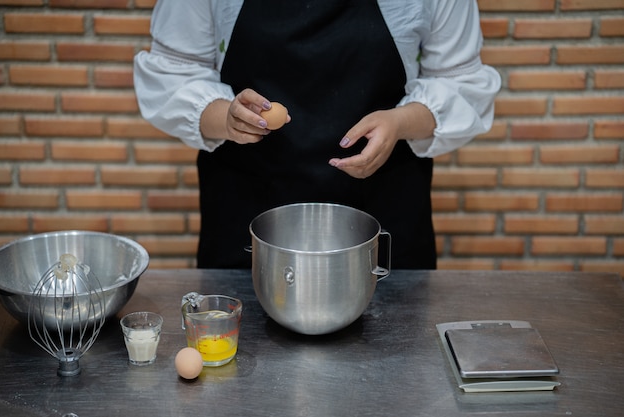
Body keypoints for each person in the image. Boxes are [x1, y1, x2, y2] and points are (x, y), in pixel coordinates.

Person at [134, 0, 500, 269]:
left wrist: (399, 123)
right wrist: (227, 119)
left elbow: (460, 85)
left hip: (384, 219)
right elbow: (174, 75)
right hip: (248, 221)